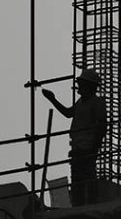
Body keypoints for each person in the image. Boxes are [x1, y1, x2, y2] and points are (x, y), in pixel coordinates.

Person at [41, 68, 106, 206]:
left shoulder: (96, 102)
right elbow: (68, 113)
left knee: (88, 179)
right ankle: (79, 205)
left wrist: (95, 147)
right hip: (77, 148)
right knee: (77, 182)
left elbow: (102, 126)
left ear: (90, 86)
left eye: (82, 84)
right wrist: (52, 99)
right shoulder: (81, 102)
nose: (79, 86)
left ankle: (91, 205)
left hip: (87, 148)